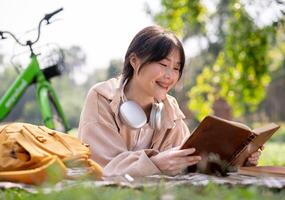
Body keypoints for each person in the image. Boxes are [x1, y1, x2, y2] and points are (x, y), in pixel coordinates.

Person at [78, 25, 262, 177]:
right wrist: (154, 163)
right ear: (134, 61)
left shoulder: (169, 108)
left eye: (176, 68)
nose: (170, 76)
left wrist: (240, 157)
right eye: (164, 65)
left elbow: (191, 161)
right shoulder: (102, 98)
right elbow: (102, 166)